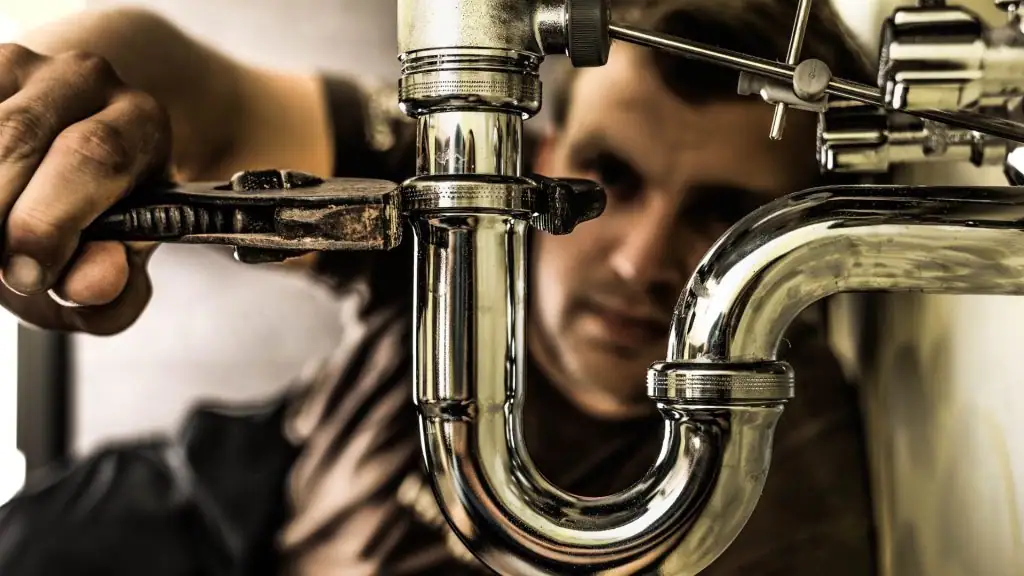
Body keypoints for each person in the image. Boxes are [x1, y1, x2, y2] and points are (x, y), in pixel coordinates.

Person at [0, 1, 880, 574]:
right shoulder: (467, 195)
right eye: (610, 182)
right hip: (229, 520)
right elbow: (178, 79)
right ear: (541, 159)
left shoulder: (781, 488)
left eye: (723, 217)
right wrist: (53, 123)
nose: (639, 262)